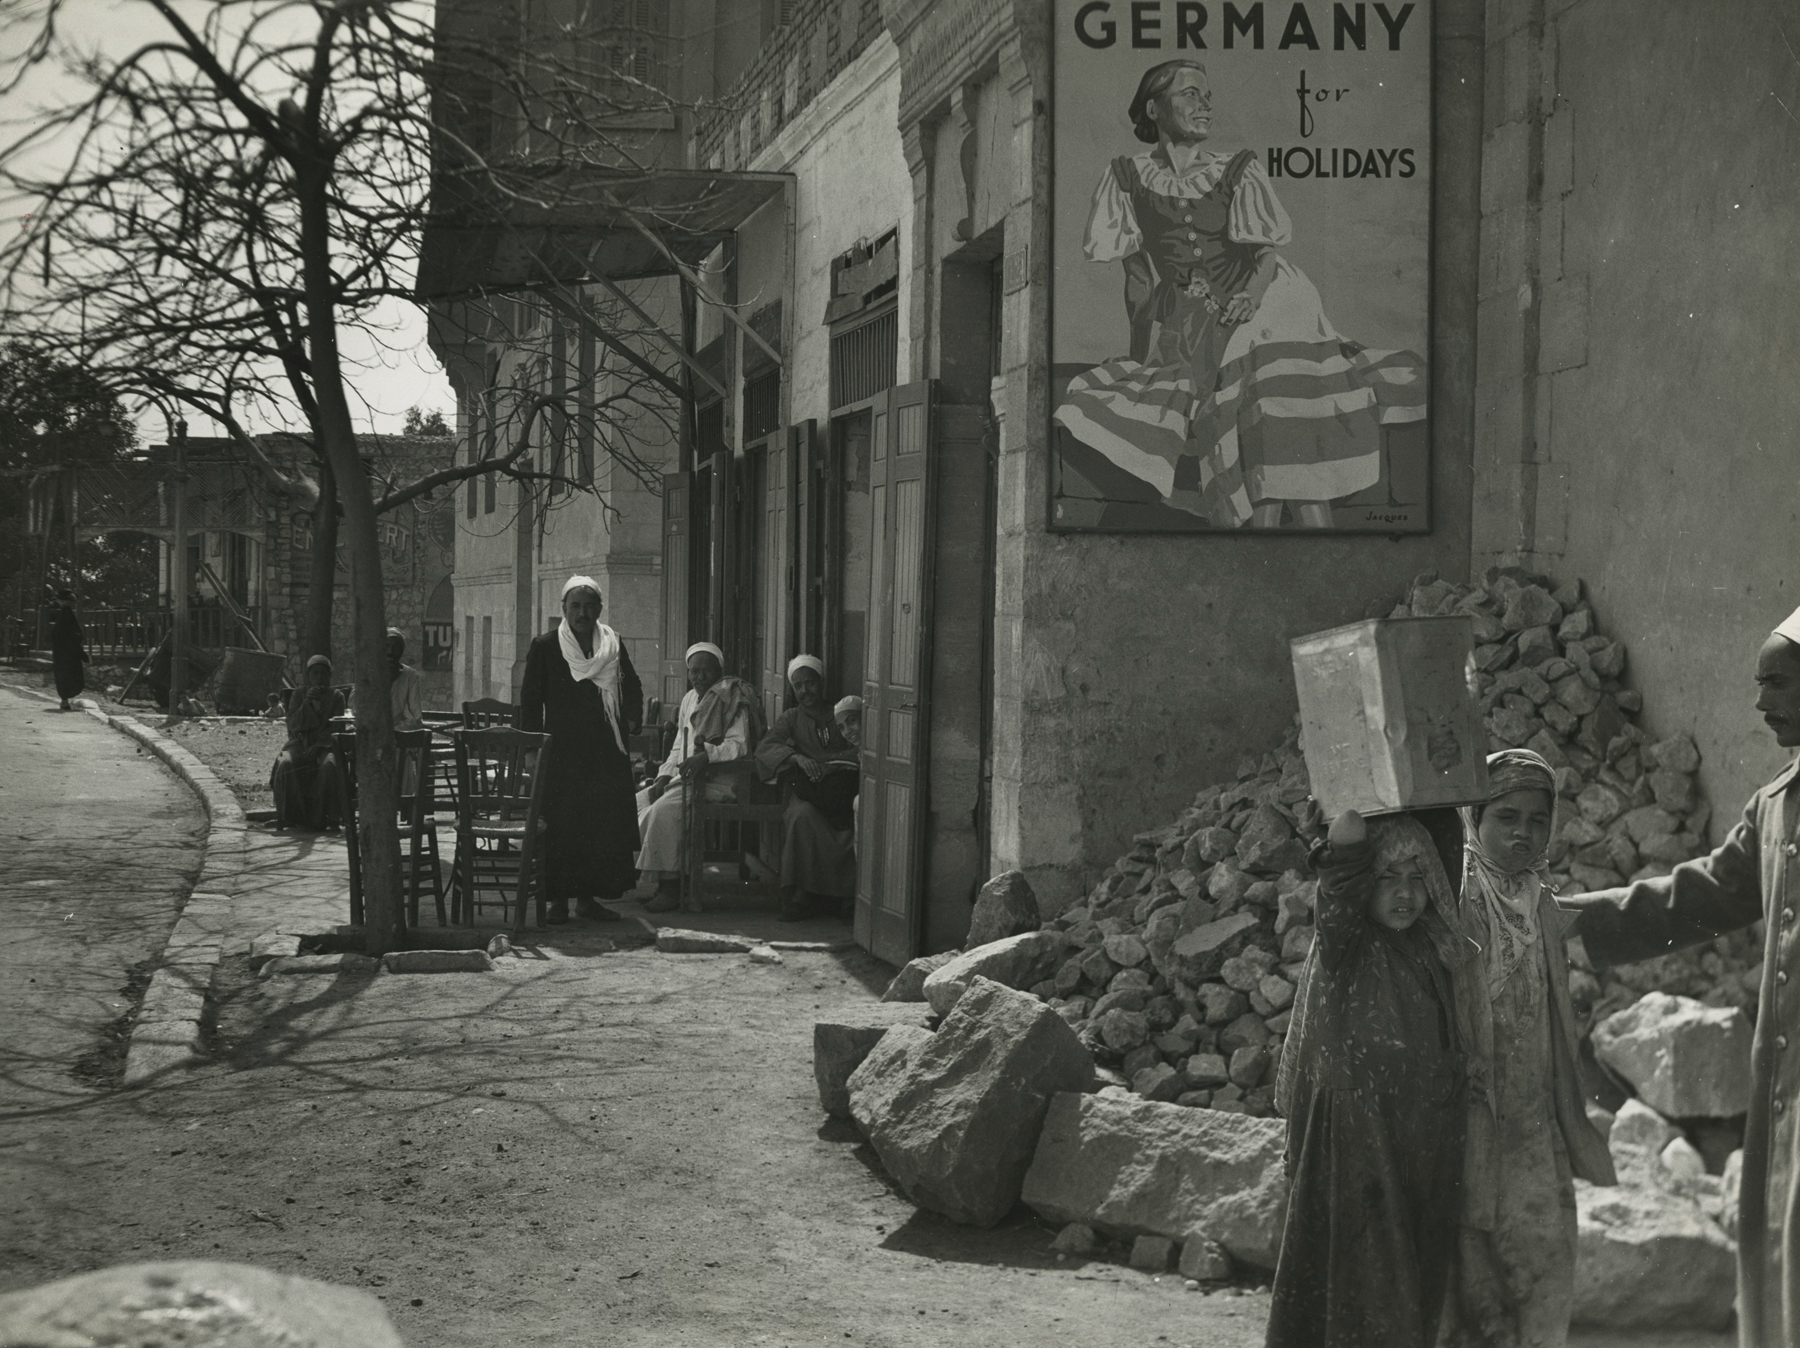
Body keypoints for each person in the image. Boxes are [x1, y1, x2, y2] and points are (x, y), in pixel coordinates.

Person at [1559, 607, 1800, 1348]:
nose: (1761, 704)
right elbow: (1705, 896)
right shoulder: (1776, 803)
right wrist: (1574, 919)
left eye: (1780, 683)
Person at [1053, 59, 1426, 529]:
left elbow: (1265, 256)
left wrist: (1250, 296)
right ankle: (1286, 538)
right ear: (1154, 106)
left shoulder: (1236, 169)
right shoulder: (1126, 177)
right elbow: (1140, 283)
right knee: (1252, 409)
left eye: (1207, 96)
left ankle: (1284, 537)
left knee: (1267, 383)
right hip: (1191, 319)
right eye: (1190, 94)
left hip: (1267, 295)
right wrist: (1140, 357)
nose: (1204, 104)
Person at [1267, 808, 1472, 1348]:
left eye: (1417, 877)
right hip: (1358, 1146)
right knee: (1358, 1283)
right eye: (1388, 877)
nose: (1405, 893)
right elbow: (1339, 886)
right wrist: (1349, 829)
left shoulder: (1432, 946)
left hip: (1420, 1146)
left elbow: (1450, 837)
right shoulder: (1346, 944)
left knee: (1411, 1285)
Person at [1438, 748, 1616, 1348]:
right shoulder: (1455, 898)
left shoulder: (1539, 901)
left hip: (1535, 1123)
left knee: (1541, 1267)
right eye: (1505, 816)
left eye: (1537, 820)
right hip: (1468, 1119)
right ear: (1474, 820)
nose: (1523, 832)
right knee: (1468, 1282)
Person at [518, 576, 643, 924]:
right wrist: (531, 749)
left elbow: (631, 684)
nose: (582, 613)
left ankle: (587, 900)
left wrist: (633, 717)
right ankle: (557, 903)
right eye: (575, 606)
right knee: (561, 826)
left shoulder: (612, 644)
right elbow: (530, 701)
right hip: (561, 755)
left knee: (597, 827)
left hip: (604, 754)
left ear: (600, 609)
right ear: (563, 609)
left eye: (589, 606)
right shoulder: (545, 646)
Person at [634, 642, 760, 914]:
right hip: (686, 777)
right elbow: (679, 746)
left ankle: (672, 888)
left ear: (719, 672)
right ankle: (660, 881)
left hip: (720, 779)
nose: (700, 677)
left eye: (707, 671)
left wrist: (707, 756)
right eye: (694, 671)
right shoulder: (690, 698)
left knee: (665, 811)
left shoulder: (730, 698)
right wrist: (663, 777)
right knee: (638, 802)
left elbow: (739, 745)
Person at [756, 655, 858, 922]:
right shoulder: (791, 718)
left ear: (820, 683)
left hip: (844, 787)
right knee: (802, 816)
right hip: (809, 792)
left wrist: (832, 765)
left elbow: (861, 747)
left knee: (857, 817)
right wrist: (796, 758)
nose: (805, 691)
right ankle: (802, 894)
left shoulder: (839, 713)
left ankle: (850, 896)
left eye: (809, 684)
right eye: (798, 686)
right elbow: (766, 748)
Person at [270, 654, 347, 831]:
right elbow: (293, 724)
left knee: (330, 765)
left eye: (323, 674)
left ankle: (323, 819)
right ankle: (289, 817)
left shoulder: (337, 697)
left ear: (329, 676)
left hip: (324, 745)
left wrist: (319, 745)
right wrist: (307, 703)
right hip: (299, 743)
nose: (319, 678)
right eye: (315, 674)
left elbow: (337, 726)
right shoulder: (298, 695)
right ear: (309, 676)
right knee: (285, 763)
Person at [49, 589, 87, 711]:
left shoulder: (64, 614)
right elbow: (71, 634)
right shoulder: (65, 614)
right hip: (67, 650)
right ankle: (64, 700)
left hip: (63, 650)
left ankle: (64, 700)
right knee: (68, 674)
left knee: (65, 675)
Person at [384, 627, 425, 732]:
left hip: (400, 736)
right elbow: (355, 710)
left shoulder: (411, 676)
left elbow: (415, 718)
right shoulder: (369, 673)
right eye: (387, 646)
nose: (390, 651)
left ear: (402, 650)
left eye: (396, 647)